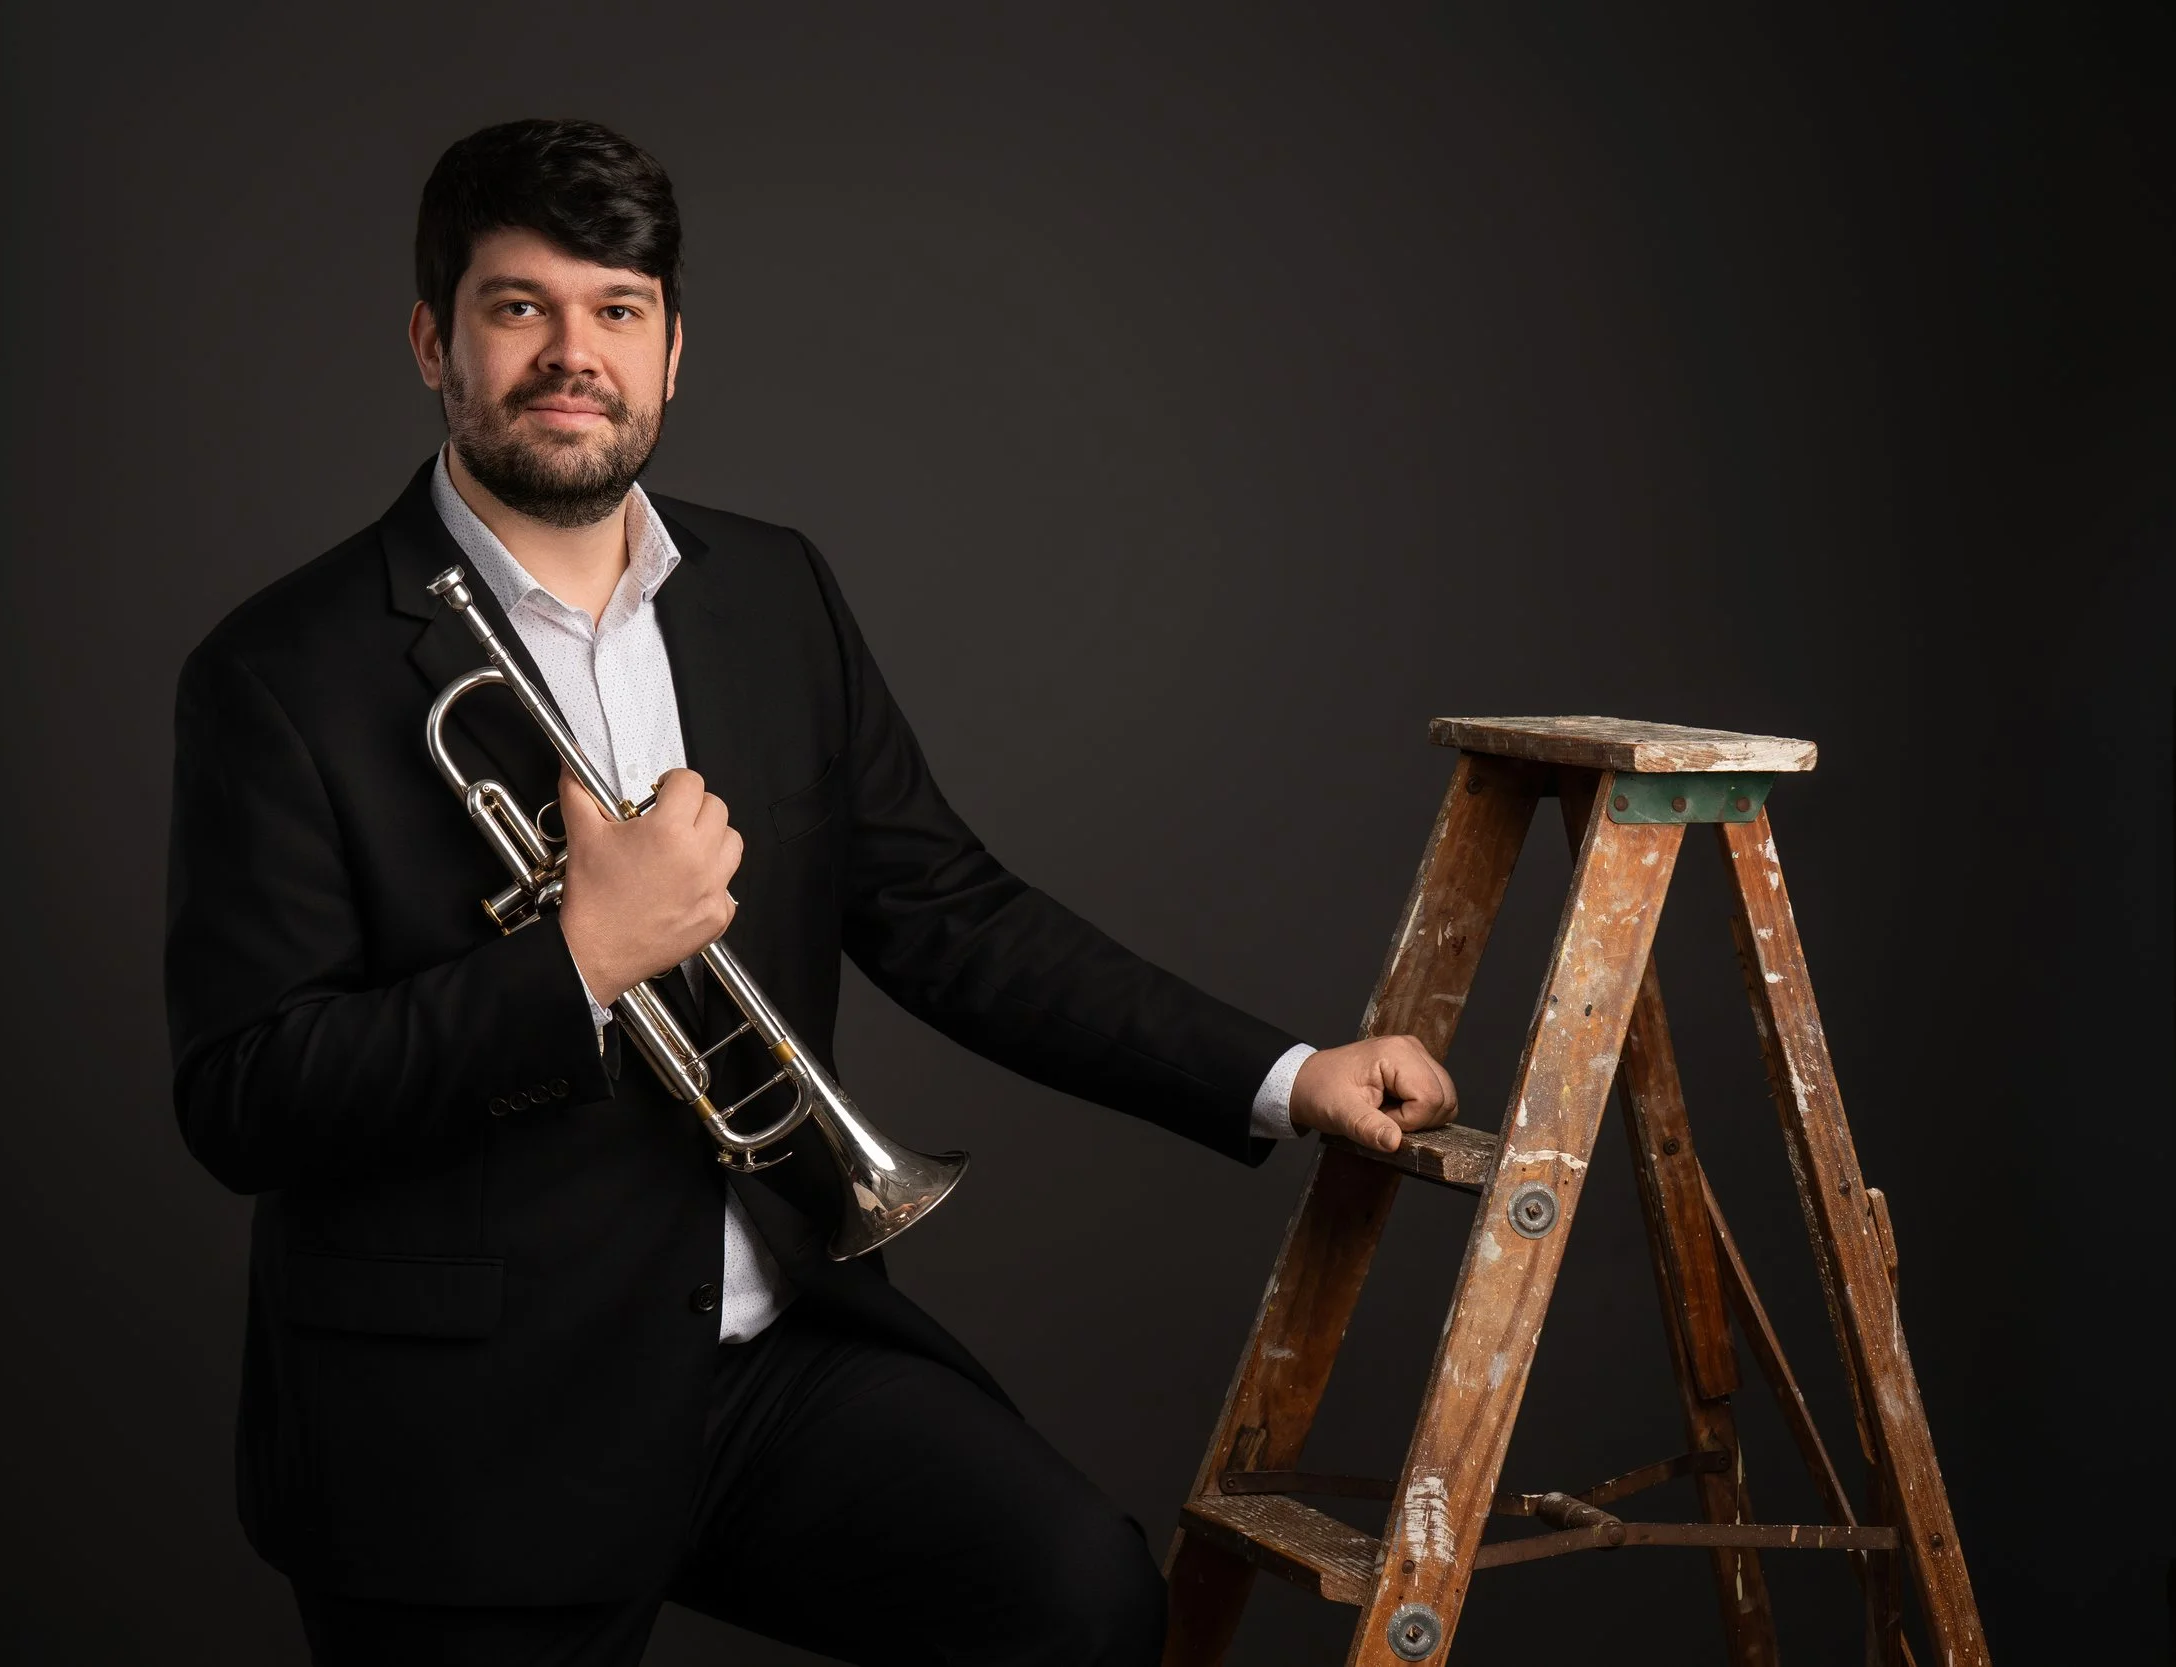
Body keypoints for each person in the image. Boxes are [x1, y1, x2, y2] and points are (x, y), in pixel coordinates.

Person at [165, 117, 1458, 1667]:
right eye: (520, 308)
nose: (573, 353)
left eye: (618, 310)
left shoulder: (771, 593)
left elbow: (955, 914)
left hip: (758, 1363)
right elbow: (245, 1096)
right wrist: (574, 962)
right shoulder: (278, 668)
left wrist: (1285, 1076)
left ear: (673, 348)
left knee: (1077, 1597)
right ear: (435, 339)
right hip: (467, 1421)